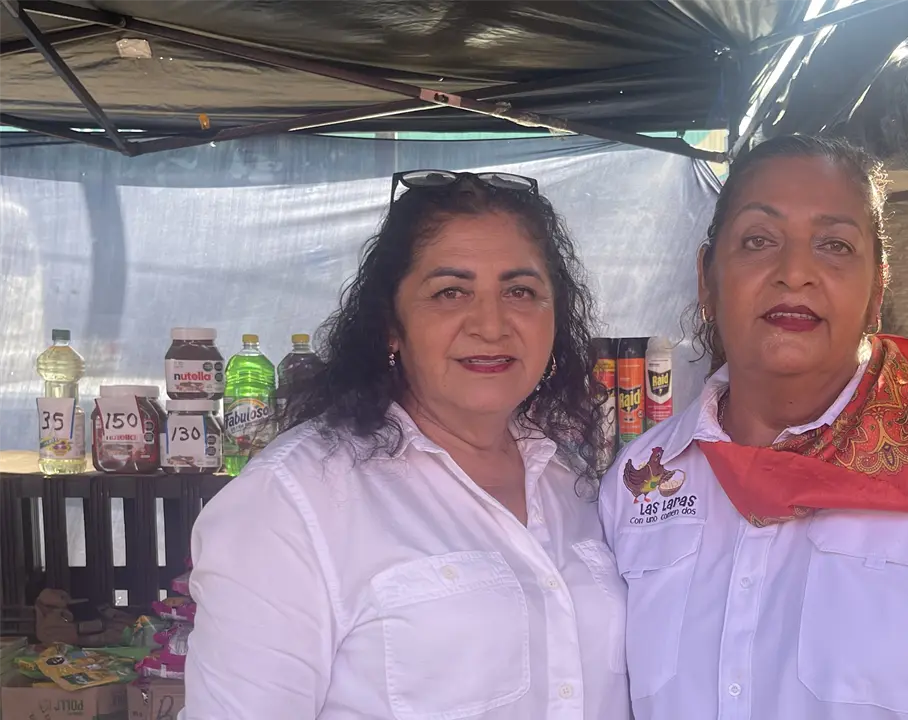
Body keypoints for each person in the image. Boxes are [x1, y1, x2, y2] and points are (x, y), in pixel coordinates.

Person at [599, 135, 908, 719]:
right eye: (758, 240)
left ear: (877, 291)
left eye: (834, 245)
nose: (794, 272)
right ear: (705, 278)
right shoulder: (640, 484)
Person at [185, 170, 629, 719]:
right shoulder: (294, 500)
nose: (491, 325)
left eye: (520, 291)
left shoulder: (574, 482)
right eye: (450, 292)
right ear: (392, 325)